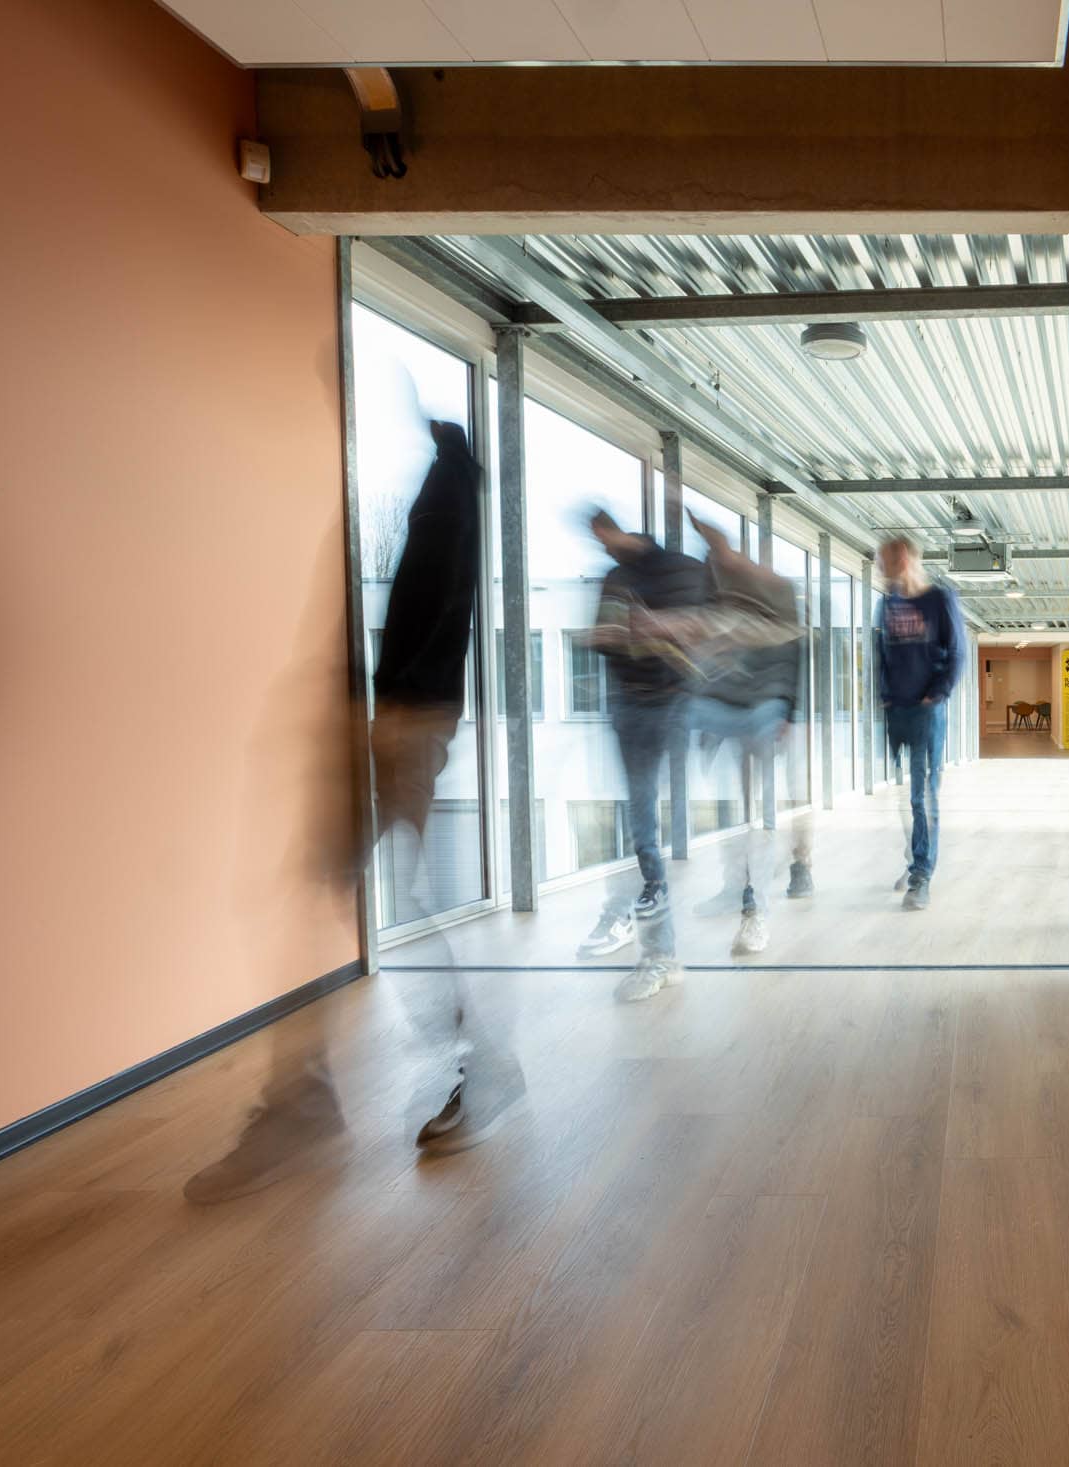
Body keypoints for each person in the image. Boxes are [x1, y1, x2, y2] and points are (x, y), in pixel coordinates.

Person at [187, 420, 520, 1203]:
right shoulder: (440, 492)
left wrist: (398, 716)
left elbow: (435, 609)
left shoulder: (446, 491)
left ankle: (476, 1070)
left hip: (399, 722)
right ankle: (304, 1103)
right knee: (321, 892)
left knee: (378, 898)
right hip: (384, 720)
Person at [574, 509, 709, 999]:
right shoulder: (614, 579)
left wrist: (659, 628)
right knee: (639, 823)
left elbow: (705, 632)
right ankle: (655, 948)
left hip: (673, 703)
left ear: (614, 531)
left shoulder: (683, 570)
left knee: (653, 825)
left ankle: (657, 945)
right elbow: (604, 638)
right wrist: (620, 635)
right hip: (629, 703)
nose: (602, 547)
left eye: (602, 537)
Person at [682, 518, 813, 955]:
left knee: (780, 803)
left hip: (771, 713)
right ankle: (739, 888)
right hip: (733, 714)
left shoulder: (776, 590)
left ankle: (786, 878)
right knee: (742, 808)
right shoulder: (716, 596)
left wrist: (789, 711)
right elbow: (706, 654)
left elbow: (793, 650)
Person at [873, 535, 970, 911]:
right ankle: (915, 857)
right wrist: (885, 695)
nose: (880, 567)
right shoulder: (888, 603)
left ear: (905, 558)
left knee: (922, 795)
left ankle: (922, 874)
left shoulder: (939, 599)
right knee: (904, 797)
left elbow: (958, 652)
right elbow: (882, 654)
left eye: (885, 560)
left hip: (927, 711)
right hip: (896, 711)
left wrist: (936, 695)